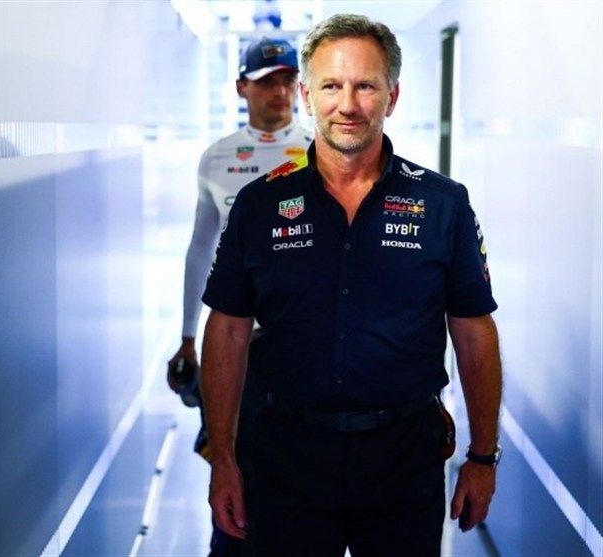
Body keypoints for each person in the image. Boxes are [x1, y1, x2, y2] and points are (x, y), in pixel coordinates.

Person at [199, 13, 503, 557]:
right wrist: (223, 456)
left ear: (392, 97)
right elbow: (227, 331)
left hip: (403, 462)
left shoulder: (442, 204)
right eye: (331, 86)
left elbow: (474, 332)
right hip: (286, 458)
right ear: (307, 96)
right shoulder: (260, 205)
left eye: (366, 86)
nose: (348, 104)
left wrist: (483, 457)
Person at [166, 36, 312, 556]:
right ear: (241, 87)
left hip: (304, 346)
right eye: (268, 81)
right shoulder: (218, 158)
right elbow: (200, 248)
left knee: (302, 468)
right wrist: (189, 337)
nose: (281, 91)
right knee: (232, 461)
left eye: (289, 80)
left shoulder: (319, 152)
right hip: (236, 343)